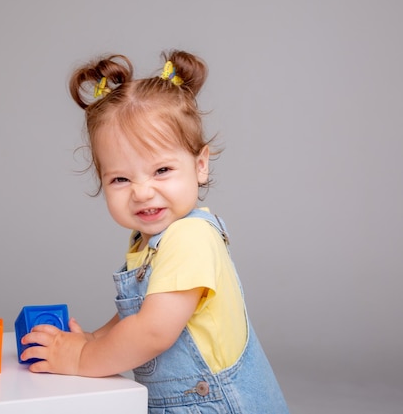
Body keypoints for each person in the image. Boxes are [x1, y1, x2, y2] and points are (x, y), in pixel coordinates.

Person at [20, 50, 289, 413]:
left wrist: (83, 356)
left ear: (200, 165)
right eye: (120, 178)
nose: (142, 191)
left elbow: (152, 331)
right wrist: (92, 338)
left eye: (161, 170)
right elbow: (143, 313)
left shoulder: (189, 237)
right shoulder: (151, 240)